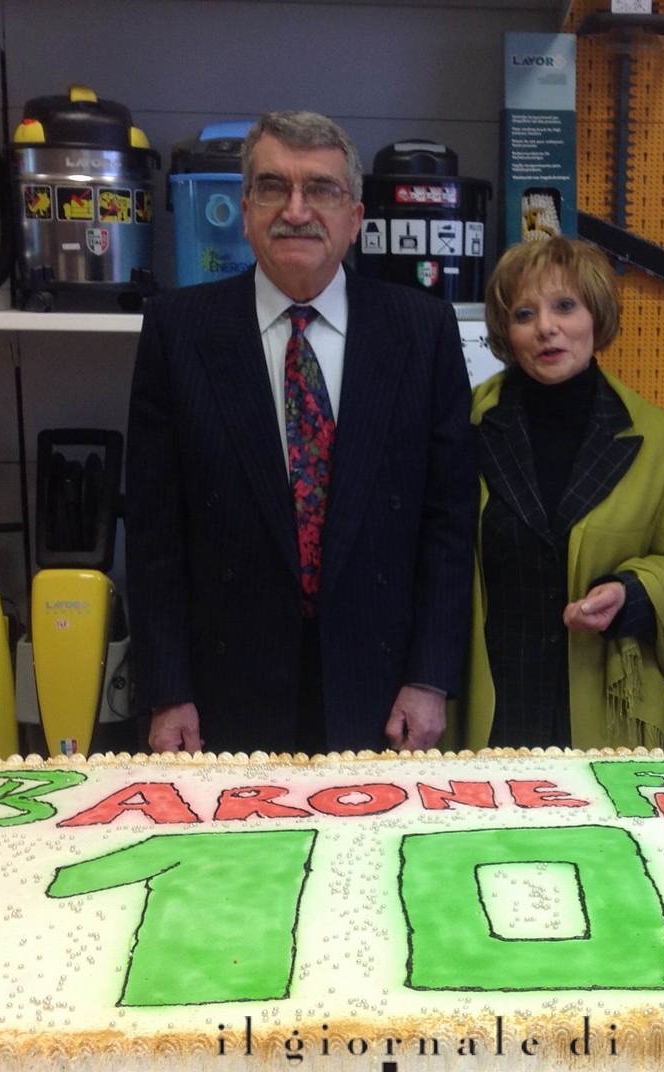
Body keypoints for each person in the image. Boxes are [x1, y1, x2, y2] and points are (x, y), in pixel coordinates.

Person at [125, 111, 476, 756]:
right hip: (224, 696)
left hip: (379, 689)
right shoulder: (179, 332)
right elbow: (153, 533)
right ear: (245, 207)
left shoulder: (422, 331)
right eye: (272, 187)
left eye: (320, 189)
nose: (296, 209)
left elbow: (448, 523)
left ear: (355, 217)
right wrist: (167, 690)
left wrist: (429, 679)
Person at [461, 237, 664, 749]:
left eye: (565, 306)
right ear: (507, 332)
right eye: (525, 313)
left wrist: (631, 593)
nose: (546, 326)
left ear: (596, 314)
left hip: (606, 710)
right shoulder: (461, 425)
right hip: (491, 707)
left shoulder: (659, 438)